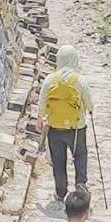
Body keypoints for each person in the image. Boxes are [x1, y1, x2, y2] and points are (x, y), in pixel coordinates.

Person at [41, 47, 91, 208]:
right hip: (77, 128)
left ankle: (61, 192)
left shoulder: (50, 80)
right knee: (80, 155)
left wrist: (39, 119)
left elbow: (42, 103)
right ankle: (81, 187)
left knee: (58, 161)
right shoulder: (80, 80)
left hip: (55, 127)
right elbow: (89, 105)